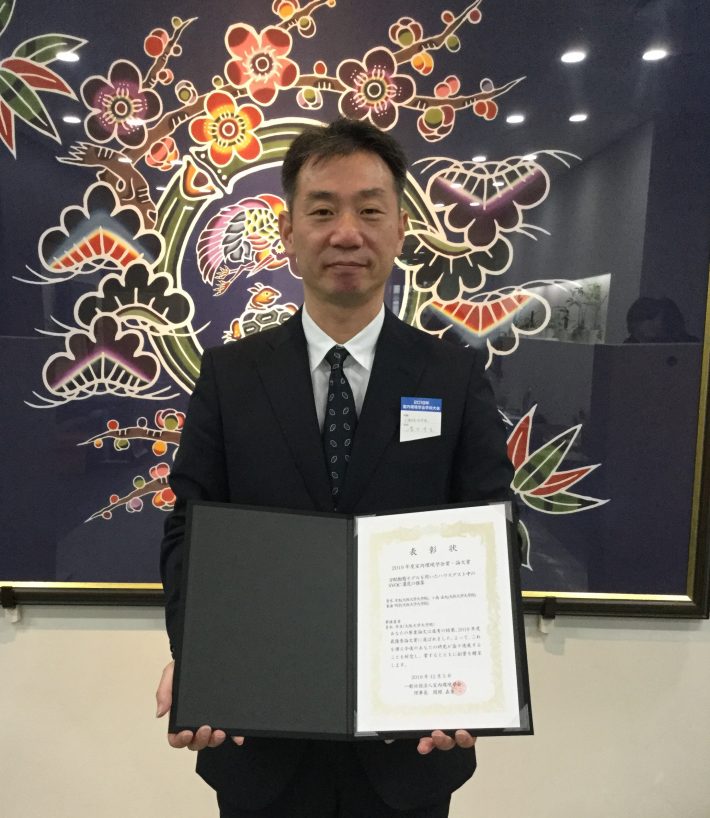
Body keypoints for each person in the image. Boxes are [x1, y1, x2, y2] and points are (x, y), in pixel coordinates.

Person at [156, 118, 514, 817]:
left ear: (401, 229)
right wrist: (199, 658)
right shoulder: (231, 376)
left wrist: (478, 678)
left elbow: (488, 529)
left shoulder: (453, 374)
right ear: (288, 233)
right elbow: (188, 533)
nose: (346, 233)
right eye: (322, 211)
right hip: (258, 739)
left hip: (412, 745)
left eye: (370, 211)